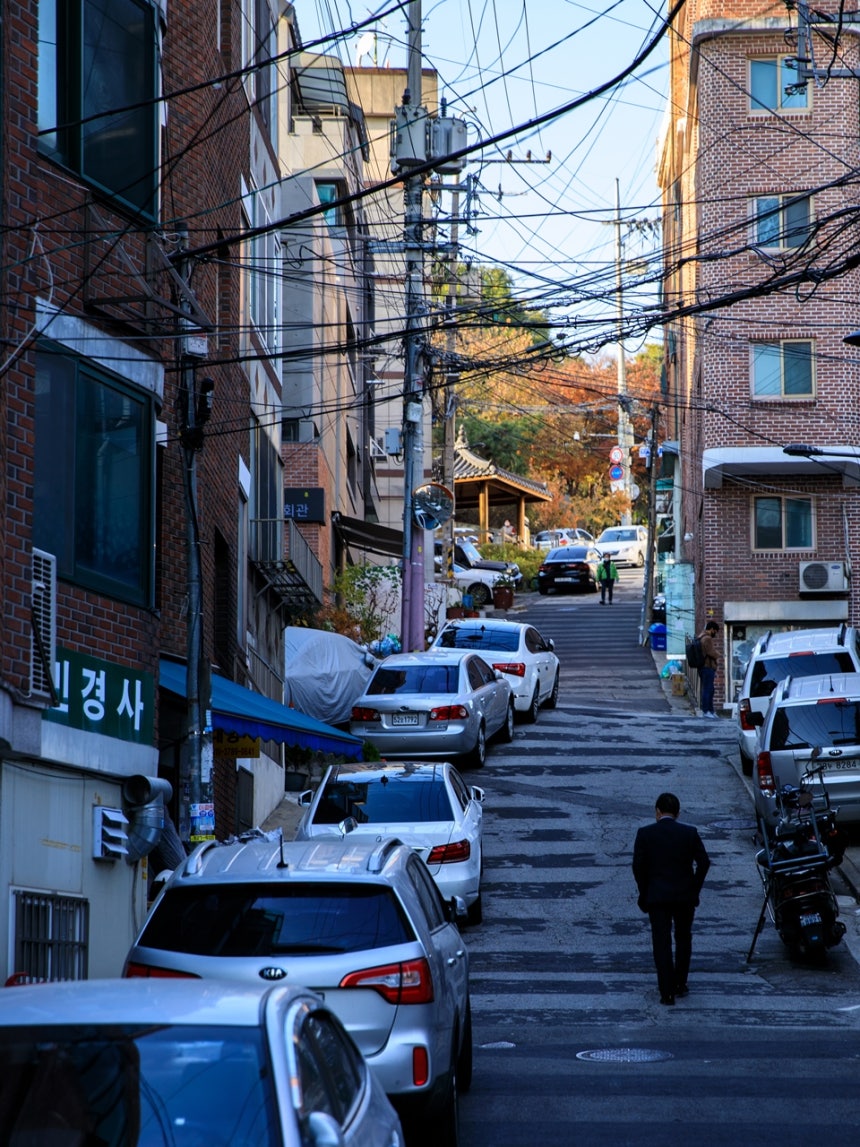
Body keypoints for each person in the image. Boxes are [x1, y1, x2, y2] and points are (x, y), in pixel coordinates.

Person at [632, 792, 711, 1006]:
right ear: (678, 813)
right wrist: (694, 888)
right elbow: (704, 862)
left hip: (657, 896)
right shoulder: (689, 833)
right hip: (684, 896)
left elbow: (638, 867)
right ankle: (680, 983)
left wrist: (645, 891)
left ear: (657, 812)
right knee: (683, 939)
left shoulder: (645, 834)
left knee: (662, 942)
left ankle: (666, 991)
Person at [698, 620, 719, 718]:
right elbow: (710, 652)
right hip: (707, 667)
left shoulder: (701, 636)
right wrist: (718, 655)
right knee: (708, 690)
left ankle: (710, 710)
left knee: (710, 689)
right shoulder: (707, 638)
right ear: (711, 629)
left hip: (703, 667)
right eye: (715, 631)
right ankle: (706, 711)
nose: (715, 633)